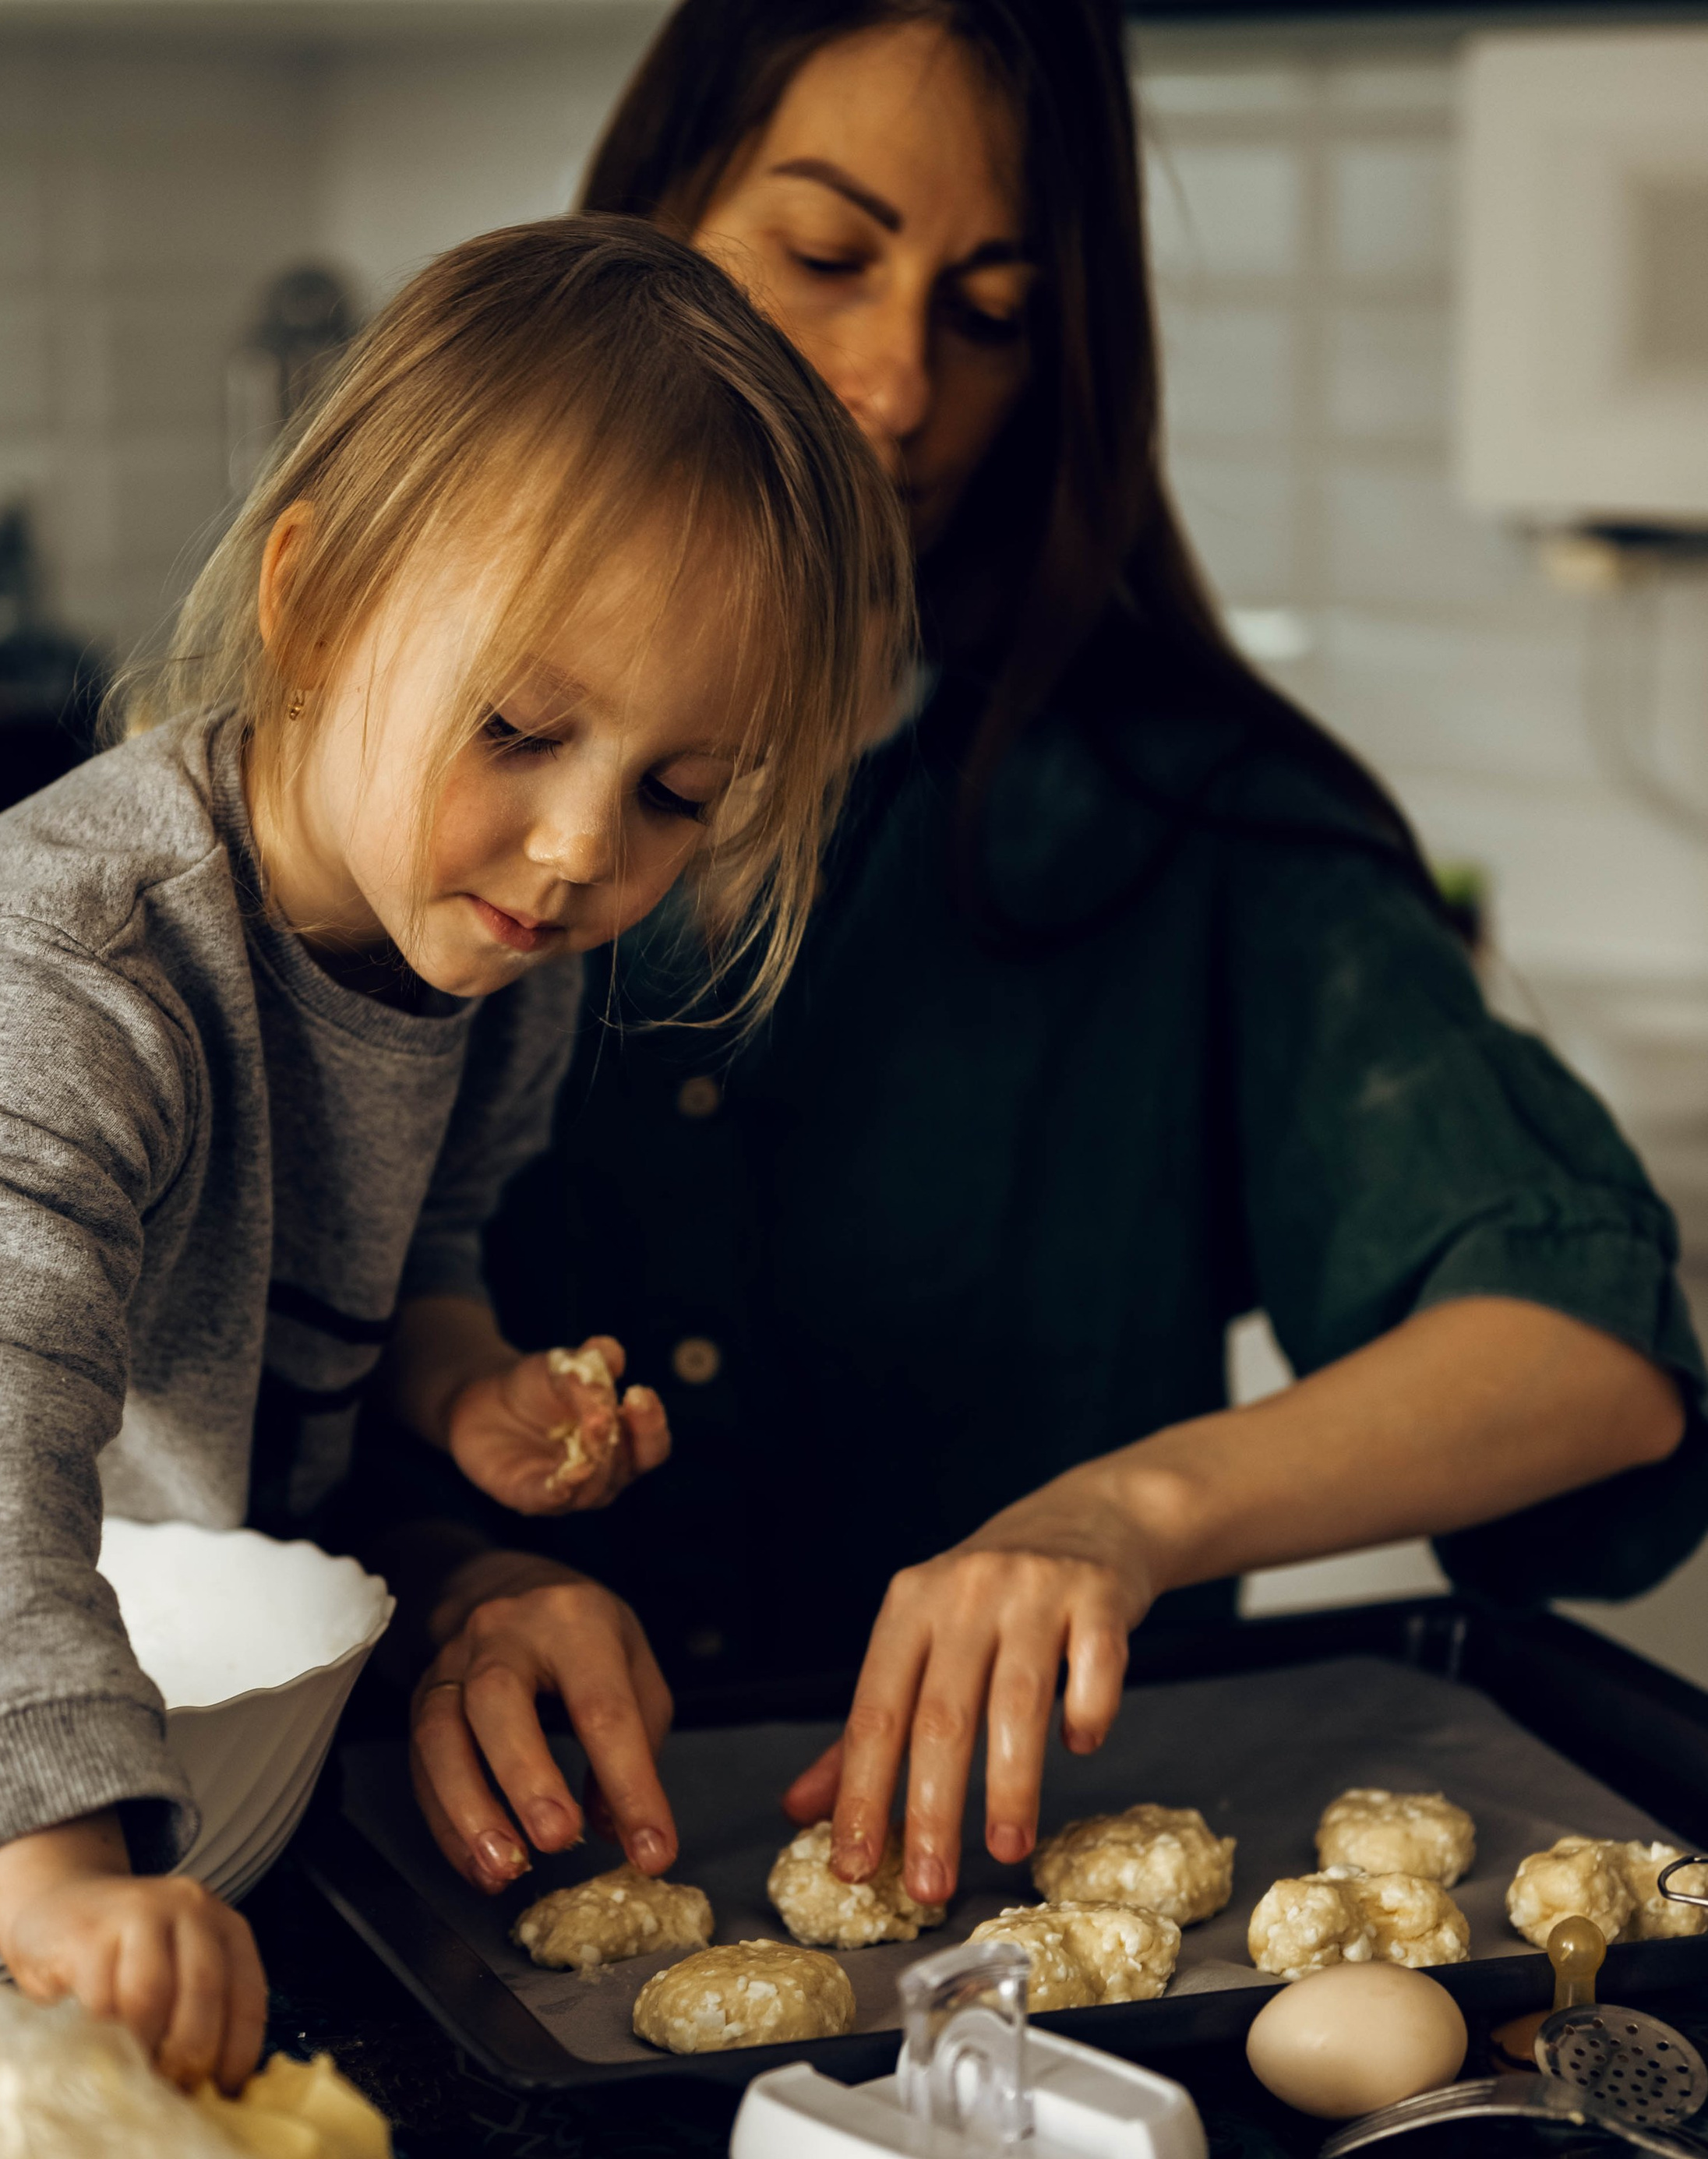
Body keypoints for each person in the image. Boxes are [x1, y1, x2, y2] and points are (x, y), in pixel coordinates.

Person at [403, 0, 1708, 1925]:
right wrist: (463, 1574)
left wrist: (1128, 1512)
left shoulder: (1194, 818)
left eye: (988, 313)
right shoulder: (394, 773)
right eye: (823, 257)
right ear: (646, 221)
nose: (893, 382)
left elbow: (1592, 1356)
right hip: (438, 1901)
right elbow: (190, 1367)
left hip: (1015, 1962)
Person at [0, 217, 909, 2090]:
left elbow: (406, 1258)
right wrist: (63, 1883)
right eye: (518, 730)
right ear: (322, 603)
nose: (580, 846)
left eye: (681, 789)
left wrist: (471, 1391)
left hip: (91, 1711)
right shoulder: (69, 982)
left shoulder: (491, 955)